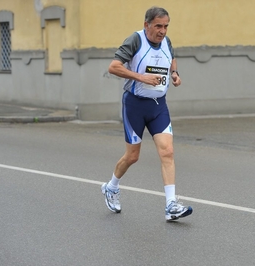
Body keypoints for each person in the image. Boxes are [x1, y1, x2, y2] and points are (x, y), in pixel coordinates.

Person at [101, 6, 193, 221]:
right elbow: (113, 67)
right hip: (135, 105)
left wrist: (175, 74)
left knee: (167, 151)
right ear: (147, 25)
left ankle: (171, 205)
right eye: (158, 26)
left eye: (166, 26)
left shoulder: (166, 42)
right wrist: (141, 77)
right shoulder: (135, 40)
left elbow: (171, 58)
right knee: (133, 156)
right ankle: (111, 187)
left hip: (159, 106)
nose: (162, 31)